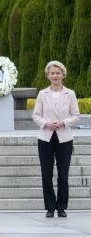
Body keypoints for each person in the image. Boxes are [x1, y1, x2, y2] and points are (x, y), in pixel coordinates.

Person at [31, 61, 80, 218]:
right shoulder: (42, 94)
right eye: (52, 73)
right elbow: (35, 115)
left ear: (63, 74)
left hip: (64, 137)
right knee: (46, 174)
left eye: (58, 73)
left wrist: (63, 122)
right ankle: (50, 208)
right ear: (48, 75)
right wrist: (46, 123)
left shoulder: (70, 94)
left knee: (63, 174)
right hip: (45, 138)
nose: (55, 75)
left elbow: (76, 116)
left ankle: (61, 207)